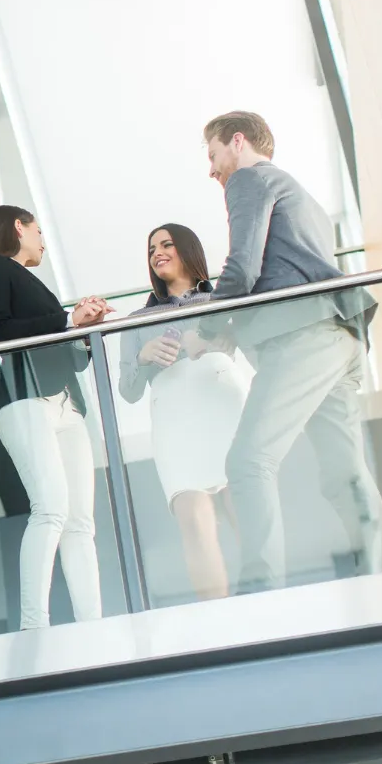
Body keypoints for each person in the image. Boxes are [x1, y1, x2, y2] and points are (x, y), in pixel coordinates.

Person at [201, 111, 382, 593]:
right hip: (341, 335)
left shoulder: (247, 180)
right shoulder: (301, 195)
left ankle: (261, 593)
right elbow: (284, 269)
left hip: (303, 337)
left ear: (238, 142)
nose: (212, 170)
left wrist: (206, 326)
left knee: (248, 463)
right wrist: (235, 323)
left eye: (213, 155)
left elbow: (243, 268)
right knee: (343, 471)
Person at [0, 205, 112, 630]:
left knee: (80, 522)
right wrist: (68, 318)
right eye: (38, 230)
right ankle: (35, 628)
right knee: (50, 510)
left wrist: (83, 329)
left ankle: (93, 625)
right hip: (24, 401)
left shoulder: (34, 284)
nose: (42, 240)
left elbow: (67, 353)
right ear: (18, 227)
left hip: (66, 405)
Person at [118, 224, 247, 601]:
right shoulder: (137, 320)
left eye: (166, 244)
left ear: (187, 249)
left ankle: (271, 602)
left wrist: (209, 337)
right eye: (151, 248)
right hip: (173, 415)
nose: (157, 252)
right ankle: (218, 622)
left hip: (221, 401)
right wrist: (143, 357)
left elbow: (247, 336)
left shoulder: (222, 297)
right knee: (192, 517)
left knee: (242, 505)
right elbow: (127, 391)